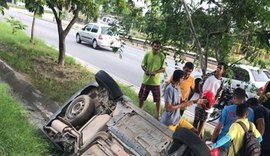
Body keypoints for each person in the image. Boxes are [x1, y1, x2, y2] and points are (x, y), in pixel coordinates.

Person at [211, 88, 254, 156]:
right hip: (238, 148)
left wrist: (212, 142)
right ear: (244, 98)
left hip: (223, 143)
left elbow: (217, 129)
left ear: (234, 97)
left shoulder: (227, 109)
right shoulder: (251, 112)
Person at [193, 62, 226, 137]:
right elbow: (200, 84)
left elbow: (218, 95)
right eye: (218, 67)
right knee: (196, 120)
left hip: (209, 104)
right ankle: (191, 135)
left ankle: (197, 137)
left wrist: (212, 104)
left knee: (202, 122)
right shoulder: (209, 76)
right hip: (201, 100)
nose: (218, 69)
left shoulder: (221, 83)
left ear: (223, 71)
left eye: (220, 68)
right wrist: (201, 94)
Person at [138, 40, 166, 119]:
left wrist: (155, 72)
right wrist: (146, 71)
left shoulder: (161, 56)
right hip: (146, 81)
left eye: (158, 47)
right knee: (141, 97)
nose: (156, 48)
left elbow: (163, 69)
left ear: (160, 48)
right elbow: (143, 65)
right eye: (155, 46)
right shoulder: (147, 54)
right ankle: (140, 110)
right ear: (152, 46)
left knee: (157, 99)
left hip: (155, 82)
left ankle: (157, 115)